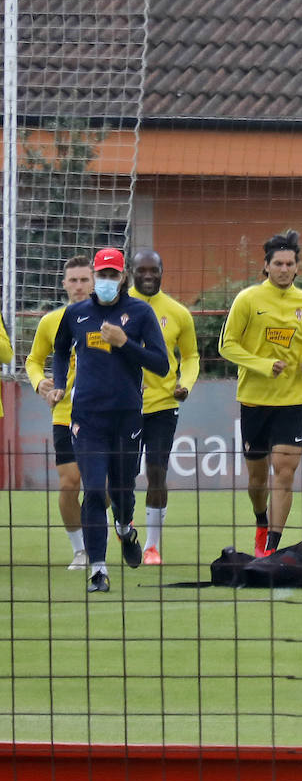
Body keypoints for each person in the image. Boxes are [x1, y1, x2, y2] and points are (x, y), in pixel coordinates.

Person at [48, 248, 169, 593]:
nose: (105, 282)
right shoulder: (76, 314)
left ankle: (126, 528)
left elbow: (161, 365)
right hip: (87, 416)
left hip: (127, 414)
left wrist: (125, 343)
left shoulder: (140, 312)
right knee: (94, 490)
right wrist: (59, 385)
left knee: (122, 492)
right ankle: (98, 570)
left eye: (112, 275)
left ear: (123, 278)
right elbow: (59, 351)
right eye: (101, 275)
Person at [218, 230, 302, 557]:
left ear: (297, 268)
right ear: (266, 266)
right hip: (254, 399)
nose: (283, 268)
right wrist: (263, 365)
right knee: (256, 479)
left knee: (285, 470)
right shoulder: (247, 299)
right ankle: (261, 520)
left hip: (292, 401)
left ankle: (272, 546)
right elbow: (227, 346)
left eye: (289, 263)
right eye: (277, 263)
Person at [129, 250, 199, 566]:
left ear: (162, 271)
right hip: (121, 406)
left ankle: (152, 546)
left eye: (153, 269)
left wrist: (185, 383)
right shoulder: (116, 308)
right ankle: (122, 523)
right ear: (130, 272)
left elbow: (192, 356)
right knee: (116, 478)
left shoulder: (178, 313)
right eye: (141, 269)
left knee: (157, 472)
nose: (147, 275)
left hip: (163, 405)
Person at [26, 255, 92, 570]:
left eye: (84, 280)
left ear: (93, 282)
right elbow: (33, 360)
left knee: (105, 488)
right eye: (73, 280)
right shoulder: (51, 321)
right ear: (64, 284)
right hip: (64, 414)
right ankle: (80, 550)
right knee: (69, 483)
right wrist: (39, 383)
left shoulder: (113, 318)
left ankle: (118, 518)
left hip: (104, 415)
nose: (79, 286)